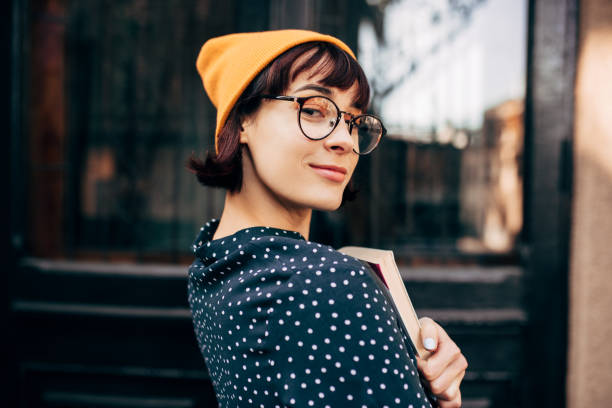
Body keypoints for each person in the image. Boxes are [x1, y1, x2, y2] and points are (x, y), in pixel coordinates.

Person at [187, 29, 467, 408]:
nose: (346, 141)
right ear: (241, 122)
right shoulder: (329, 283)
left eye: (353, 121)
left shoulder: (214, 260)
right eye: (315, 110)